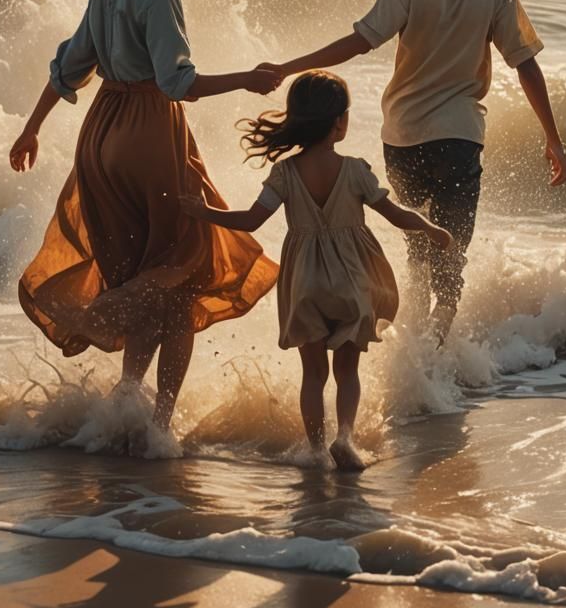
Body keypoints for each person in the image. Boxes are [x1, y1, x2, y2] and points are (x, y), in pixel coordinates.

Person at [9, 0, 279, 436]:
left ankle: (127, 403)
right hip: (150, 131)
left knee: (142, 273)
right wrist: (247, 80)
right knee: (184, 277)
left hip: (101, 135)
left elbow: (70, 69)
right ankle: (158, 425)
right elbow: (177, 82)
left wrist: (31, 129)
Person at [259, 0, 566, 344]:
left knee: (419, 244)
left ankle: (415, 348)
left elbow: (359, 41)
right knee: (452, 251)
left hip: (402, 138)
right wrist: (553, 138)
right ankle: (435, 355)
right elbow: (525, 64)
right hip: (461, 138)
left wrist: (289, 66)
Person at [180, 71, 451, 470]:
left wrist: (205, 212)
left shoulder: (285, 174)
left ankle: (315, 448)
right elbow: (394, 214)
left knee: (313, 372)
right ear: (339, 122)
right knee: (346, 368)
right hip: (350, 278)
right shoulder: (356, 170)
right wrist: (429, 227)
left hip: (303, 279)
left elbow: (252, 220)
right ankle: (345, 438)